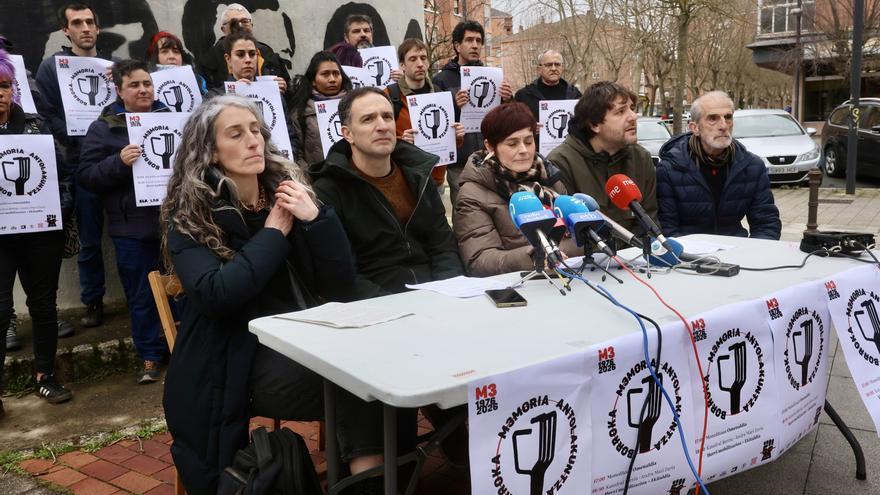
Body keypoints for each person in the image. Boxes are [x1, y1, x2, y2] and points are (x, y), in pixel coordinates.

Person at [162, 94, 402, 495]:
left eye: (256, 130)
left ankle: (382, 476)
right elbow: (216, 295)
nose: (253, 141)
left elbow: (340, 283)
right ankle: (370, 484)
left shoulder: (289, 195)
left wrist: (317, 220)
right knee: (362, 384)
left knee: (387, 370)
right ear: (211, 151)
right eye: (236, 134)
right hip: (237, 358)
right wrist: (273, 234)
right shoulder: (191, 215)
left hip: (308, 338)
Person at [309, 87, 464, 299]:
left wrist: (448, 291)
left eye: (387, 117)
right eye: (368, 119)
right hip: (377, 307)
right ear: (347, 134)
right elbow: (342, 274)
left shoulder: (418, 175)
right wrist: (397, 307)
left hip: (437, 297)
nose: (382, 126)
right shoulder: (328, 191)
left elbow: (443, 245)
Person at [78, 60, 169, 384]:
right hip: (131, 229)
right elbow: (86, 175)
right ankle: (149, 356)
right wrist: (118, 163)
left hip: (173, 224)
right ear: (119, 90)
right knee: (141, 296)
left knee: (184, 294)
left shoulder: (172, 119)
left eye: (147, 83)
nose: (143, 90)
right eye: (135, 85)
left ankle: (184, 349)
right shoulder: (104, 128)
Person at [0, 49, 75, 411]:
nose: (0, 93)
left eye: (4, 86)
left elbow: (59, 174)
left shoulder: (35, 124)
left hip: (39, 232)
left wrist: (57, 213)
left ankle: (45, 375)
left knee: (43, 305)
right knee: (0, 310)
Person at [34, 2, 110, 334]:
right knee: (90, 239)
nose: (85, 28)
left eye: (90, 22)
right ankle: (93, 300)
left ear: (98, 27)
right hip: (80, 162)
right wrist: (74, 132)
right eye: (77, 23)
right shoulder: (52, 68)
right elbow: (46, 113)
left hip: (121, 162)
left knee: (134, 236)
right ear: (67, 30)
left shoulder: (114, 65)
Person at [454, 102, 579, 276]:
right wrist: (534, 256)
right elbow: (479, 261)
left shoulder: (551, 179)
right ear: (490, 146)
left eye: (529, 141)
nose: (523, 150)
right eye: (512, 144)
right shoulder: (472, 194)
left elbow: (579, 236)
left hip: (570, 276)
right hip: (519, 286)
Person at [656, 91, 781, 239]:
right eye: (713, 118)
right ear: (694, 128)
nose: (723, 125)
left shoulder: (752, 166)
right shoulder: (670, 169)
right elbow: (668, 230)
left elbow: (766, 223)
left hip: (736, 250)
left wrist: (753, 256)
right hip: (689, 255)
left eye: (728, 117)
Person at [547, 80, 657, 234]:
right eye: (620, 112)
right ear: (594, 124)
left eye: (632, 109)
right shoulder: (560, 162)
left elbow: (651, 222)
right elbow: (569, 234)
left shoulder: (641, 158)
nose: (633, 116)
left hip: (638, 255)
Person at [433, 20, 513, 204]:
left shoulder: (493, 76)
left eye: (478, 40)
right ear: (457, 45)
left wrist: (508, 99)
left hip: (492, 158)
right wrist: (454, 105)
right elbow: (438, 125)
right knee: (465, 213)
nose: (475, 45)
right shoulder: (441, 80)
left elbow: (506, 118)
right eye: (469, 40)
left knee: (497, 208)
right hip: (460, 163)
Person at [385, 38, 464, 189]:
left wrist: (458, 136)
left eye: (423, 58)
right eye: (413, 59)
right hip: (403, 181)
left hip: (435, 180)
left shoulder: (440, 94)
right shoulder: (388, 95)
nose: (420, 64)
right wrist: (401, 141)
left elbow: (447, 139)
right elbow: (378, 136)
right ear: (402, 65)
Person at [196, 3, 289, 90]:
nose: (240, 25)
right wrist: (232, 91)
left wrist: (282, 88)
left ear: (251, 25)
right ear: (223, 29)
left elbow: (288, 95)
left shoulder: (267, 54)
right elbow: (206, 100)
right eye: (233, 22)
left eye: (244, 21)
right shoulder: (208, 61)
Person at [288, 51, 352, 171]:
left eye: (336, 74)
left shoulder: (355, 105)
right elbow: (296, 154)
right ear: (313, 80)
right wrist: (312, 177)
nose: (332, 79)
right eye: (325, 74)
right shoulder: (300, 112)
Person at [327, 13, 401, 82]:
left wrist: (403, 82)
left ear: (372, 35)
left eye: (366, 31)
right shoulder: (336, 58)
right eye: (356, 31)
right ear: (346, 37)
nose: (363, 34)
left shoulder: (388, 58)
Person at [514, 49, 582, 121]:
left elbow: (583, 121)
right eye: (548, 65)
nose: (553, 68)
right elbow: (514, 123)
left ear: (562, 68)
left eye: (557, 64)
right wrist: (531, 127)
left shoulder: (575, 94)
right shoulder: (524, 96)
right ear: (539, 69)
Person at [222, 31, 287, 95]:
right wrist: (233, 94)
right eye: (240, 54)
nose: (248, 60)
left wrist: (282, 95)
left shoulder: (271, 91)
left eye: (252, 54)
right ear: (228, 59)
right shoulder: (217, 97)